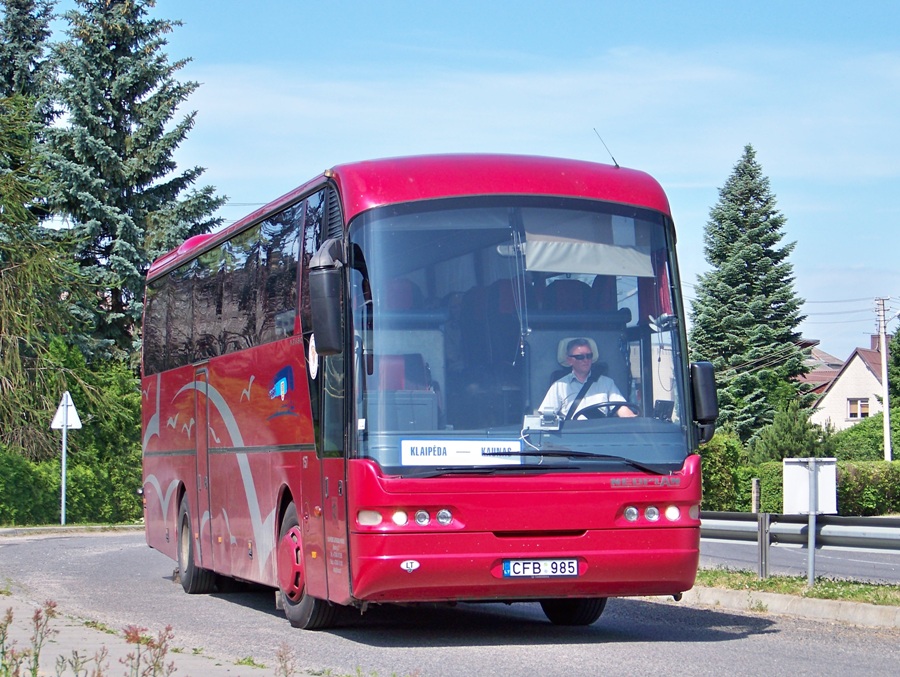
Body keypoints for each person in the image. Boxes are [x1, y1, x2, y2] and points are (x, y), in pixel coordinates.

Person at [539, 338, 636, 418]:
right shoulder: (559, 386)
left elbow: (621, 408)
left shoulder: (607, 383)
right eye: (580, 357)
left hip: (601, 435)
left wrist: (634, 420)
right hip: (570, 437)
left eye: (589, 356)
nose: (586, 360)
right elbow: (546, 417)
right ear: (569, 360)